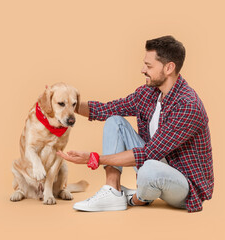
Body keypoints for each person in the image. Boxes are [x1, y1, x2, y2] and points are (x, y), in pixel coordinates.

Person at [57, 35, 213, 213]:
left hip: (185, 188)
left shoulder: (187, 105)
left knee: (149, 169)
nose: (142, 70)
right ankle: (113, 192)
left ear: (169, 68)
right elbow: (107, 109)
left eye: (148, 66)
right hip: (154, 165)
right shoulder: (148, 93)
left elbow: (148, 153)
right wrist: (67, 104)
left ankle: (137, 198)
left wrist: (95, 159)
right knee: (114, 120)